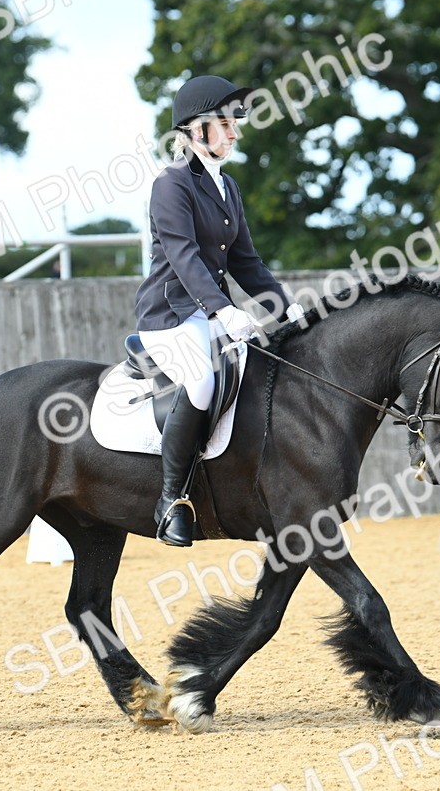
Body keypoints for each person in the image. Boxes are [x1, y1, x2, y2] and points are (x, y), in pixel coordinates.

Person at [135, 75, 305, 548]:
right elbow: (184, 255)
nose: (235, 133)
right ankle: (170, 500)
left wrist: (285, 308)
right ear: (196, 129)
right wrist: (223, 310)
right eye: (226, 124)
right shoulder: (170, 185)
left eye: (234, 125)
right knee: (203, 380)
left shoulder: (227, 187)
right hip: (168, 316)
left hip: (209, 314)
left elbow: (246, 263)